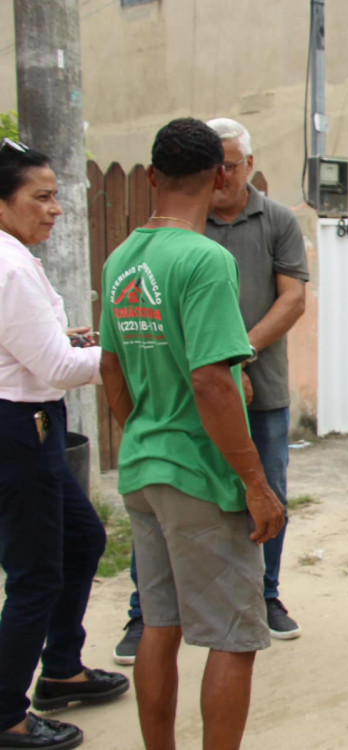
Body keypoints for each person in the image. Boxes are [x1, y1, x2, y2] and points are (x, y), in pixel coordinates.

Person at [99, 118, 286, 750]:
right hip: (202, 478)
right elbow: (212, 382)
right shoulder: (205, 259)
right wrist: (256, 484)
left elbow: (110, 367)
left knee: (160, 624)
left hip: (144, 470)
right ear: (220, 175)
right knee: (234, 637)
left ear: (153, 176)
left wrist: (145, 431)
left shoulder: (121, 259)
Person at [0, 138, 129, 750]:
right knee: (35, 574)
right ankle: (5, 713)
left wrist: (72, 339)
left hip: (32, 425)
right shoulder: (11, 265)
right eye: (41, 197)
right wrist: (128, 350)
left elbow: (35, 346)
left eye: (56, 196)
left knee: (82, 539)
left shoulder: (17, 257)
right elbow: (52, 366)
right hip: (19, 430)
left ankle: (62, 668)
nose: (55, 209)